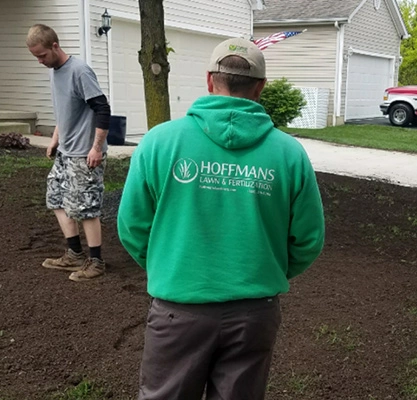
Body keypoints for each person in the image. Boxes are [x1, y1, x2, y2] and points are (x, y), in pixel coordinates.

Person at [117, 38, 326, 399]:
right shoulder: (289, 154)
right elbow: (308, 238)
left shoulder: (159, 142)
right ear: (260, 87)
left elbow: (132, 226)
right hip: (254, 314)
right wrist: (263, 268)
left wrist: (168, 264)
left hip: (178, 308)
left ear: (210, 80)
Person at [27, 24, 111, 282]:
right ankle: (74, 253)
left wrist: (96, 148)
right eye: (36, 57)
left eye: (42, 55)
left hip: (84, 154)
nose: (40, 61)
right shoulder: (55, 71)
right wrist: (55, 139)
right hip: (65, 150)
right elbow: (66, 110)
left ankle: (96, 261)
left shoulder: (79, 71)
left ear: (55, 46)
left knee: (86, 207)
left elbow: (102, 110)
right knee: (56, 198)